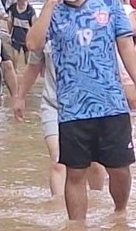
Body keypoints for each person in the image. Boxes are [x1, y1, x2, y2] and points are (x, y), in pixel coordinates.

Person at [26, 0, 136, 221]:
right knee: (75, 172)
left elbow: (126, 47)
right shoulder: (52, 14)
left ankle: (120, 214)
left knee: (119, 168)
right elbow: (33, 45)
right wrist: (48, 5)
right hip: (71, 108)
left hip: (111, 102)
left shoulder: (109, 4)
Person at [13, 39, 107, 197]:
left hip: (89, 106)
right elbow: (33, 66)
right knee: (58, 162)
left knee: (94, 164)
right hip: (54, 106)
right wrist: (20, 96)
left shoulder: (90, 23)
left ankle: (97, 202)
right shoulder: (45, 30)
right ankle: (58, 209)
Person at [7, 0, 35, 71]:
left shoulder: (30, 10)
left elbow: (34, 25)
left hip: (26, 37)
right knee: (14, 58)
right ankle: (15, 75)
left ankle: (26, 76)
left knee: (28, 60)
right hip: (16, 35)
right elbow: (9, 21)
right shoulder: (13, 8)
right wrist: (9, 34)